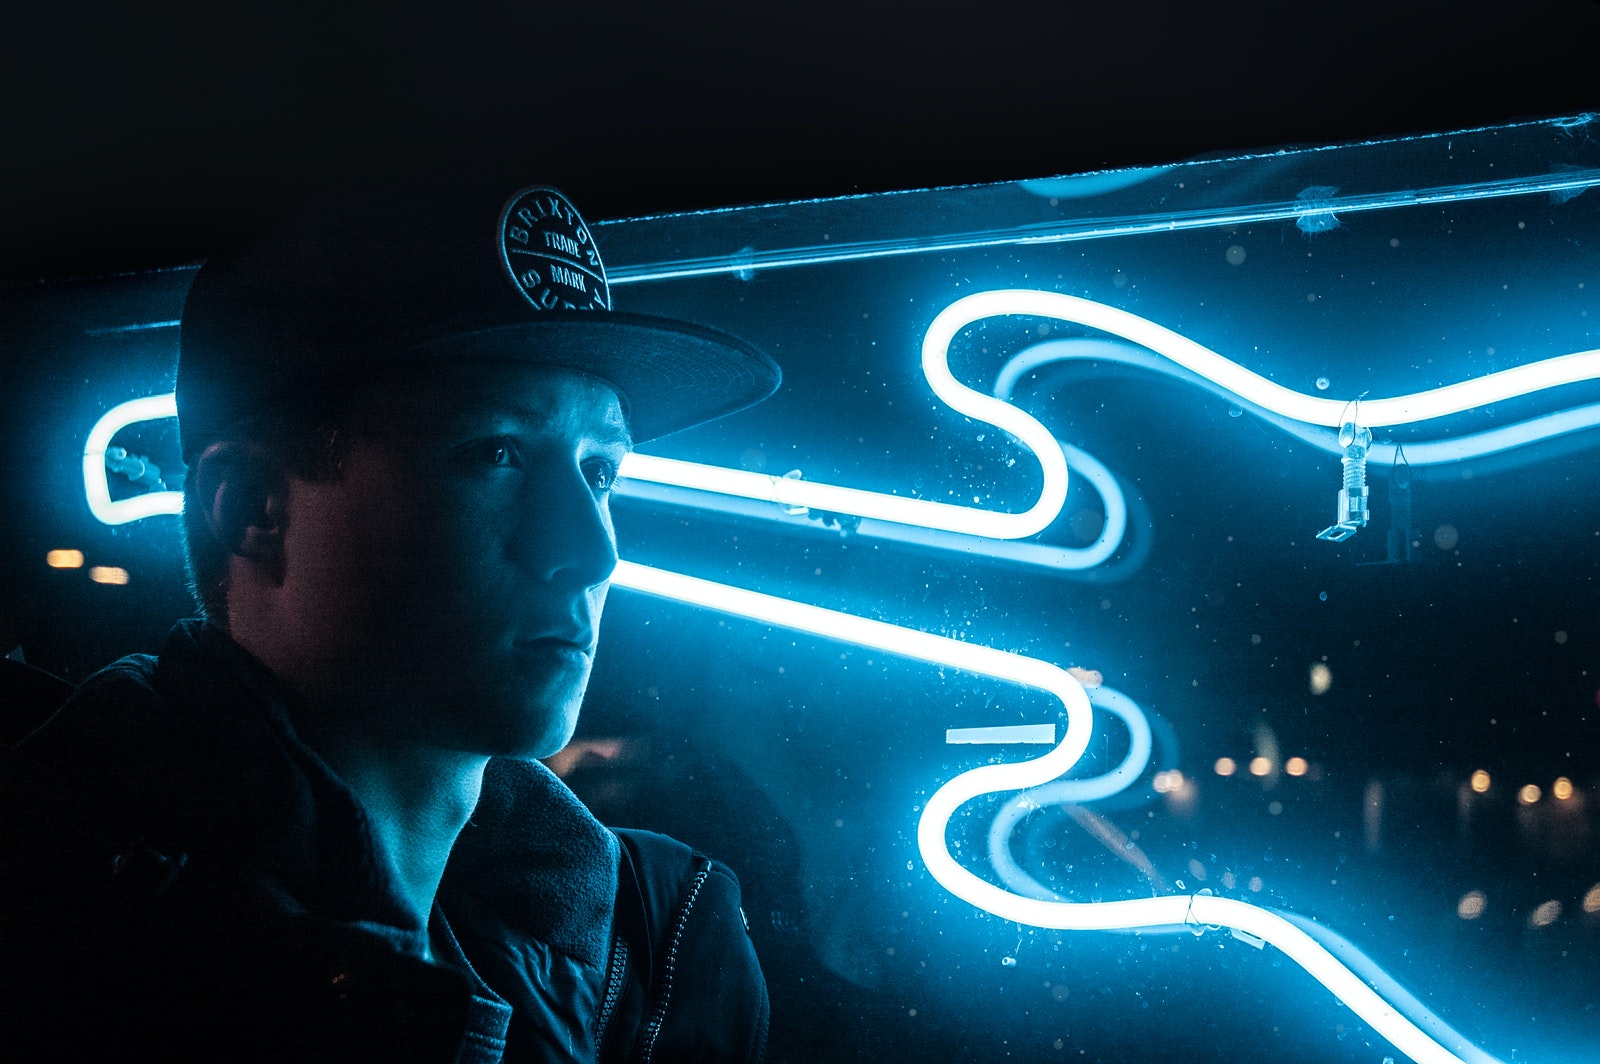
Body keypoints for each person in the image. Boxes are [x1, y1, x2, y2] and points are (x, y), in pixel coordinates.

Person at [0, 183, 779, 1061]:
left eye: (601, 472)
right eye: (495, 453)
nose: (590, 551)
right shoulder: (58, 926)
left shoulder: (655, 955)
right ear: (255, 508)